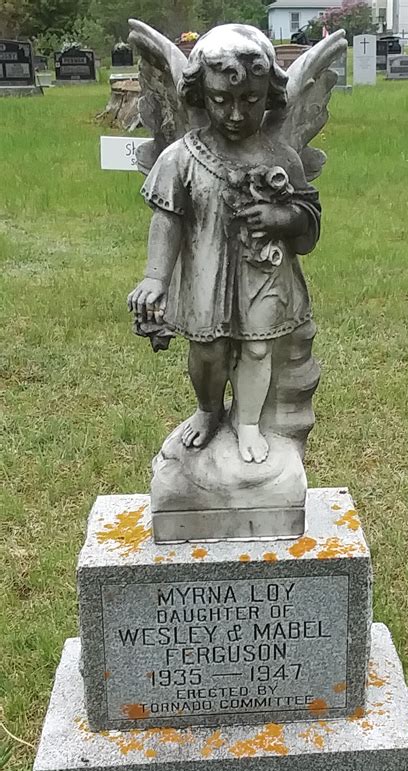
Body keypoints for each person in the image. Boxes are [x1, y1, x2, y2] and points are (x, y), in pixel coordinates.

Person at [128, 25, 321, 464]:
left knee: (257, 348)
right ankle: (209, 410)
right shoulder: (182, 156)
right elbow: (168, 219)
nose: (235, 113)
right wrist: (154, 278)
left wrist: (281, 216)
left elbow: (310, 224)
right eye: (220, 100)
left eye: (250, 101)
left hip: (263, 272)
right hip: (205, 270)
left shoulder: (281, 159)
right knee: (208, 350)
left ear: (268, 95)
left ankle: (248, 422)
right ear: (200, 96)